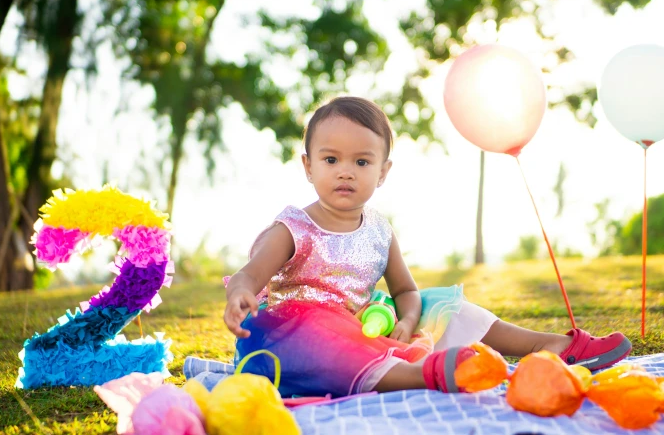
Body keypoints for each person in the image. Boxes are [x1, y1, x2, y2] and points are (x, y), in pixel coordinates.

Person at [223, 96, 631, 398]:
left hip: (367, 323)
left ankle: (549, 346)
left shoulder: (380, 230)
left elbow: (404, 291)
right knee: (322, 339)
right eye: (331, 160)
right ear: (308, 165)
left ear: (383, 172)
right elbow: (252, 273)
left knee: (446, 306)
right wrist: (241, 291)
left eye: (362, 162)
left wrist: (409, 317)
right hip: (290, 337)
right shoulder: (294, 227)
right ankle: (425, 374)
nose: (345, 171)